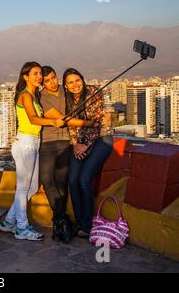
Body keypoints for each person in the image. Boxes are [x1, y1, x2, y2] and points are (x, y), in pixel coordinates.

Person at [0, 62, 64, 241]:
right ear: (25, 77)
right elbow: (33, 119)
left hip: (33, 143)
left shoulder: (35, 95)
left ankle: (9, 221)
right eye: (34, 73)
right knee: (23, 187)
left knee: (33, 187)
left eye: (39, 74)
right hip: (26, 143)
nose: (39, 77)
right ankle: (21, 227)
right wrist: (52, 122)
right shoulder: (25, 95)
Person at [39, 66, 95, 243]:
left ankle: (59, 223)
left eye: (54, 78)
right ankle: (61, 218)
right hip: (47, 142)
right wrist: (87, 123)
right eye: (47, 80)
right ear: (42, 83)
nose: (52, 83)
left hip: (65, 141)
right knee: (47, 180)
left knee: (62, 183)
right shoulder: (42, 96)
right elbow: (61, 120)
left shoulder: (66, 89)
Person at [63, 68, 113, 238]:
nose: (75, 85)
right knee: (72, 180)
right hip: (80, 143)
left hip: (101, 139)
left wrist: (86, 145)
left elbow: (97, 122)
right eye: (70, 82)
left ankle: (87, 224)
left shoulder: (94, 92)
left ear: (83, 80)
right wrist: (76, 144)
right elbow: (70, 124)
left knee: (84, 179)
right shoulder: (68, 99)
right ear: (66, 86)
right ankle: (79, 221)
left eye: (77, 80)